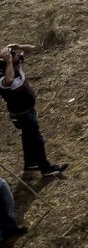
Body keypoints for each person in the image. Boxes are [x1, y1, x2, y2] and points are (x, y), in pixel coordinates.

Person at [1, 44, 65, 176]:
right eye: (16, 62)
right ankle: (46, 169)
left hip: (28, 111)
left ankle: (30, 164)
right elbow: (9, 80)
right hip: (21, 115)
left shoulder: (15, 65)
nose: (20, 62)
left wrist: (18, 46)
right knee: (37, 140)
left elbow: (33, 49)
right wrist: (8, 61)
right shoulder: (2, 77)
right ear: (8, 65)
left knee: (28, 137)